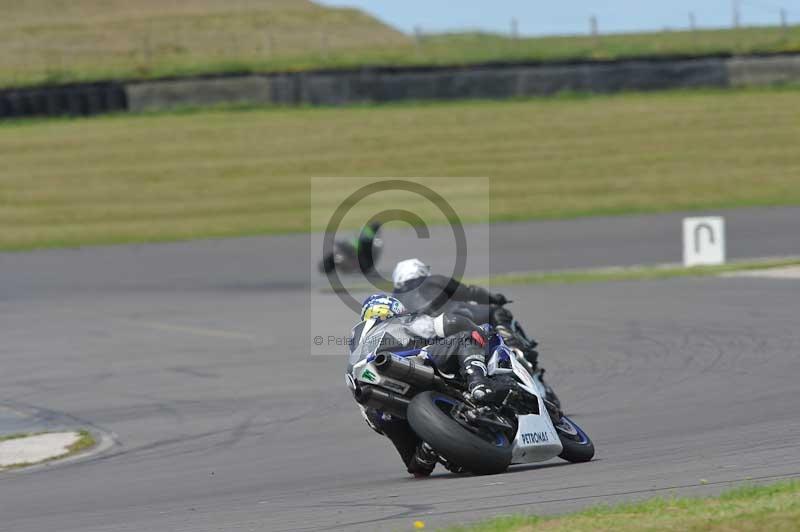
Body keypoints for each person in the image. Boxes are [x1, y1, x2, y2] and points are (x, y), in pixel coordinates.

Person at [347, 294, 500, 477]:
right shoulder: (401, 321)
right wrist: (475, 329)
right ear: (395, 310)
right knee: (465, 338)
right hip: (416, 361)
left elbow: (372, 420)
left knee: (418, 467)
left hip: (376, 404)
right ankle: (478, 384)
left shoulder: (357, 345)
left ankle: (426, 452)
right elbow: (447, 322)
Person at [391, 258, 559, 407]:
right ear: (420, 270)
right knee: (496, 311)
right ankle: (514, 345)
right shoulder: (432, 280)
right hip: (455, 320)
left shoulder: (395, 298)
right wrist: (496, 298)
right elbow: (470, 292)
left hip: (428, 343)